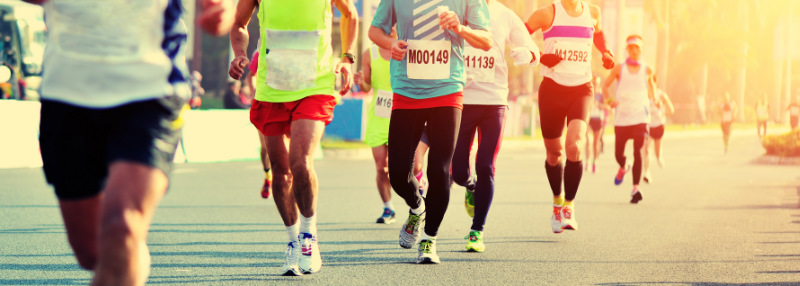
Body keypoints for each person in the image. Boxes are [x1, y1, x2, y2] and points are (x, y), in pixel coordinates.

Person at [31, 0, 232, 284]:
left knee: (122, 227)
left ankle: (128, 248)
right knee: (91, 253)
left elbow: (219, 20)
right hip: (68, 93)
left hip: (151, 91)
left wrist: (218, 12)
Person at [228, 0, 358, 276]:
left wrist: (347, 57)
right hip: (271, 88)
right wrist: (239, 53)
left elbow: (350, 13)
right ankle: (292, 240)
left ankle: (309, 236)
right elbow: (239, 24)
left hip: (315, 84)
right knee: (280, 171)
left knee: (300, 161)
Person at [370, 0, 492, 264]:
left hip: (447, 90)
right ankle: (417, 207)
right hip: (406, 91)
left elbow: (486, 40)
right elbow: (374, 30)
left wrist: (460, 28)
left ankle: (429, 239)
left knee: (439, 169)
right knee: (398, 172)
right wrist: (390, 44)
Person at [452, 0, 539, 253]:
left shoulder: (506, 15)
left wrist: (529, 55)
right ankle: (470, 186)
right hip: (462, 99)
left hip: (494, 101)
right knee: (458, 171)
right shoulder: (456, 8)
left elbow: (533, 50)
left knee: (486, 165)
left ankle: (476, 231)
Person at [525, 0, 615, 232]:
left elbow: (599, 34)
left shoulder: (593, 12)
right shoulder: (546, 14)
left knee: (574, 145)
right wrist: (540, 55)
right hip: (552, 89)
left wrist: (605, 52)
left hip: (581, 88)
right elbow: (520, 36)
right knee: (554, 154)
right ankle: (557, 202)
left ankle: (569, 207)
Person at [602, 35, 655, 204]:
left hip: (640, 116)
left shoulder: (648, 69)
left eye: (637, 48)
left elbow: (652, 89)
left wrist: (657, 101)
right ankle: (623, 166)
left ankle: (635, 189)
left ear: (641, 50)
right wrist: (610, 101)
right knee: (618, 153)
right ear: (627, 49)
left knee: (638, 150)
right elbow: (604, 85)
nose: (634, 51)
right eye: (631, 48)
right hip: (622, 116)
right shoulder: (619, 68)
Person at [248, 50, 272, 199]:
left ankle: (285, 178)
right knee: (265, 147)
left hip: (285, 100)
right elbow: (251, 76)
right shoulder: (260, 52)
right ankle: (268, 176)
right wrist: (253, 93)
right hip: (263, 102)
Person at [642, 80, 674, 184]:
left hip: (659, 125)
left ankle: (659, 156)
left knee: (657, 152)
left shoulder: (662, 95)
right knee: (646, 149)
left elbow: (671, 110)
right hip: (648, 125)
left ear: (655, 84)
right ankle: (647, 173)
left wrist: (662, 111)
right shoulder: (644, 95)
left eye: (651, 84)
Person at [585, 76, 607, 173]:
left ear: (598, 84)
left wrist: (598, 105)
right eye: (593, 82)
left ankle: (595, 162)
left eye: (596, 83)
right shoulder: (587, 93)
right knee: (588, 140)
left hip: (598, 119)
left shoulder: (601, 95)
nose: (594, 84)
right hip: (588, 119)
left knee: (595, 143)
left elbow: (606, 107)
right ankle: (587, 162)